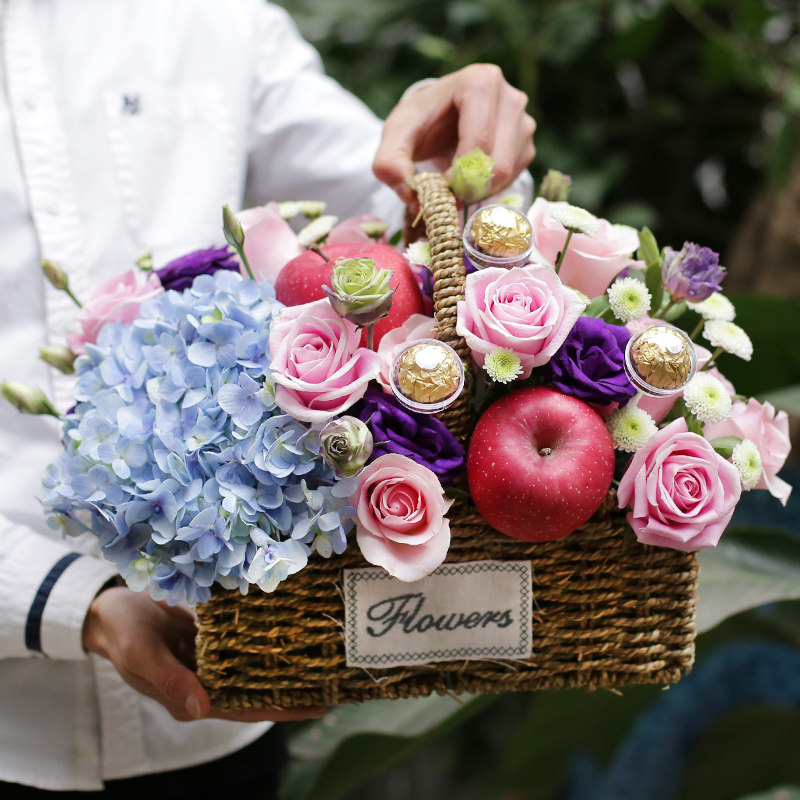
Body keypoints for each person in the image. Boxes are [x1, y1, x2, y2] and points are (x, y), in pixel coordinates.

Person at [0, 0, 535, 794]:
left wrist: (467, 148)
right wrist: (71, 602)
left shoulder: (219, 20)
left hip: (223, 724)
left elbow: (410, 212)